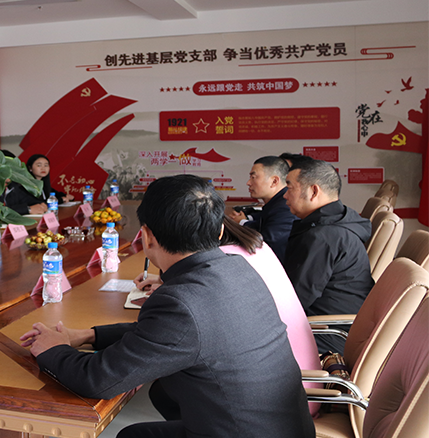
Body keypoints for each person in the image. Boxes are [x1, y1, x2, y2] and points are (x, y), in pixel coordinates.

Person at [20, 175, 314, 438]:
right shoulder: (237, 268)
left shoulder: (181, 301)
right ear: (221, 230)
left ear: (146, 237)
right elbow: (170, 333)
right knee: (145, 422)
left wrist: (52, 349)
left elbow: (98, 379)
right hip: (285, 436)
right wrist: (89, 335)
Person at [136, 215, 322, 415]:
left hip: (284, 392)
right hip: (298, 373)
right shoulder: (254, 247)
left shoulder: (221, 262)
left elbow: (192, 315)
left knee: (171, 383)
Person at [283, 159, 373, 354]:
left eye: (289, 188)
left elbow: (296, 300)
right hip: (338, 325)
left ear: (314, 191)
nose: (285, 195)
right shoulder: (338, 222)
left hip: (329, 333)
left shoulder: (324, 236)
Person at [227, 155, 296, 263]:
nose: (248, 183)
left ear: (274, 181)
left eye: (253, 177)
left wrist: (241, 223)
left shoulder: (286, 206)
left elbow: (267, 242)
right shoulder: (276, 203)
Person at [0, 150, 48, 215]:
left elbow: (30, 200)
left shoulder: (13, 186)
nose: (10, 171)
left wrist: (41, 205)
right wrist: (28, 209)